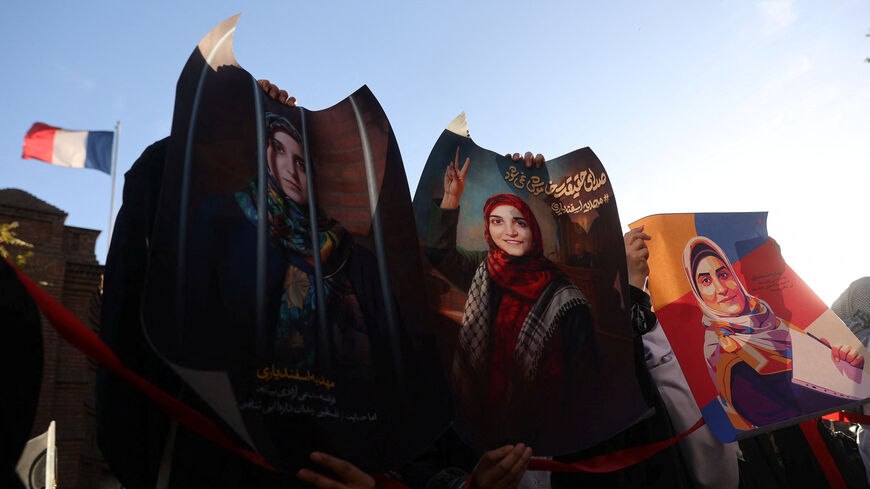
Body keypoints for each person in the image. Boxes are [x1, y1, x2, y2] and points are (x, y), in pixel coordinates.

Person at [422, 147, 596, 450]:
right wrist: (452, 197)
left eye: (520, 222)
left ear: (534, 229)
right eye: (497, 221)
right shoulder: (484, 267)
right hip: (479, 430)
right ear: (488, 229)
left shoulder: (565, 296)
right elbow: (439, 254)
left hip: (544, 440)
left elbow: (584, 386)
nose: (510, 232)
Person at [683, 236, 864, 431]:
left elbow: (831, 380)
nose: (721, 289)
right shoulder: (727, 359)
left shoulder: (774, 323)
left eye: (724, 275)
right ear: (697, 292)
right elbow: (784, 419)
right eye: (706, 280)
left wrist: (847, 367)